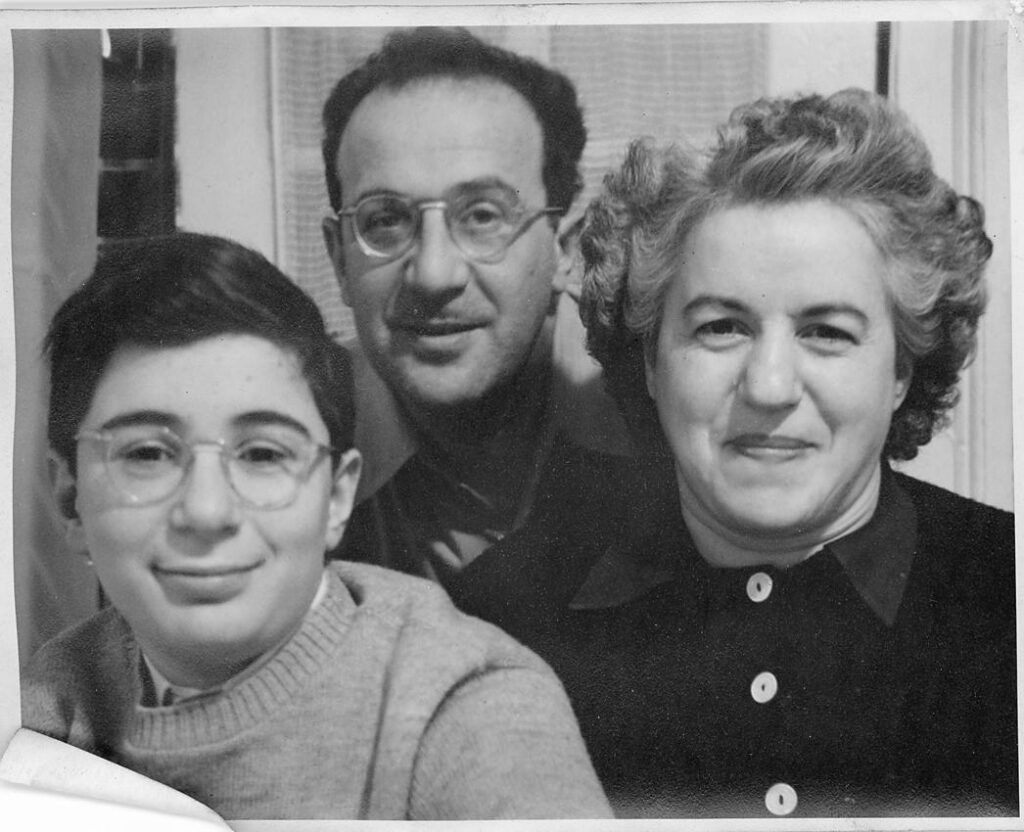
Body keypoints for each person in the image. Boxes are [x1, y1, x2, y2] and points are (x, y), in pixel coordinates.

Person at [453, 89, 1017, 817]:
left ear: (903, 370)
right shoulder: (497, 623)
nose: (769, 386)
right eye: (721, 327)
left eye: (827, 332)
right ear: (650, 360)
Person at [20, 232, 612, 821]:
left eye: (262, 454)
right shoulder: (51, 698)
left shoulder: (468, 708)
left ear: (336, 498)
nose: (206, 512)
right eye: (147, 454)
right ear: (71, 500)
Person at [320, 27, 628, 588]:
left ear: (564, 249)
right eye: (385, 221)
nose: (434, 275)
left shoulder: (656, 415)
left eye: (483, 216)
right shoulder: (303, 440)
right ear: (340, 260)